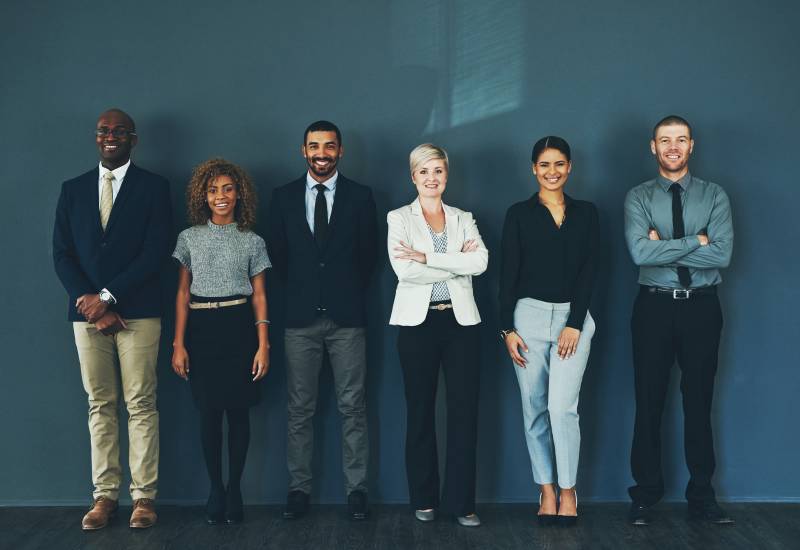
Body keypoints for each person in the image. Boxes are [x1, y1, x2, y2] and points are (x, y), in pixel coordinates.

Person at [53, 108, 172, 530]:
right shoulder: (72, 189)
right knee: (99, 405)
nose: (111, 137)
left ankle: (143, 498)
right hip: (86, 316)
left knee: (141, 404)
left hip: (138, 313)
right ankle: (104, 497)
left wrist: (107, 297)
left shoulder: (154, 188)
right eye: (104, 131)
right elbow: (62, 254)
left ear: (133, 139)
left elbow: (155, 252)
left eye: (120, 132)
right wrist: (90, 302)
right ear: (96, 136)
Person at [624, 115, 734, 526]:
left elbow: (721, 255)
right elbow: (639, 254)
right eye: (665, 140)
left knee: (699, 403)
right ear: (653, 147)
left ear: (692, 145)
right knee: (648, 402)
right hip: (653, 307)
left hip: (702, 307)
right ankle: (644, 496)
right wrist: (696, 241)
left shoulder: (715, 196)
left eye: (681, 140)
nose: (673, 147)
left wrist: (664, 246)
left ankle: (702, 497)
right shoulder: (638, 197)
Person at [268, 120, 377, 521]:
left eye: (329, 146)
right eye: (314, 146)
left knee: (353, 407)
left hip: (348, 318)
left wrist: (339, 292)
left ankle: (357, 491)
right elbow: (277, 257)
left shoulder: (362, 197)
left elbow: (368, 259)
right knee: (300, 409)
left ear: (340, 151)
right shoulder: (281, 198)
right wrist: (306, 292)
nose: (321, 153)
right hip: (298, 319)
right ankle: (299, 490)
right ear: (303, 150)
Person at [499, 136, 598, 526]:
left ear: (570, 167)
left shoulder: (587, 213)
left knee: (562, 408)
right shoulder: (518, 214)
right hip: (528, 318)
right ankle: (546, 489)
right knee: (534, 408)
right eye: (544, 165)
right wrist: (506, 328)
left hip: (574, 320)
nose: (552, 172)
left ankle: (570, 489)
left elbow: (591, 269)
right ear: (533, 169)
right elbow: (508, 274)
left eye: (559, 164)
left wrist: (575, 323)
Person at [388, 143, 488, 527]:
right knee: (420, 412)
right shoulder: (398, 218)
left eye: (439, 171)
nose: (432, 178)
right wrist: (456, 266)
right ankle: (424, 499)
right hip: (418, 324)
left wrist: (428, 257)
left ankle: (462, 503)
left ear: (447, 176)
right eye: (425, 171)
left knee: (464, 414)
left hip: (461, 324)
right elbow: (405, 272)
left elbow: (480, 262)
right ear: (413, 176)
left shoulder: (463, 218)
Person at [171, 158, 271, 524]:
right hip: (201, 328)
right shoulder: (188, 238)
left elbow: (260, 296)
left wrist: (264, 344)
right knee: (209, 414)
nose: (221, 196)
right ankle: (215, 487)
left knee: (239, 412)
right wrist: (178, 343)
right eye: (213, 190)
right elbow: (182, 292)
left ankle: (236, 489)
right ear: (203, 195)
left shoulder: (253, 240)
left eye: (228, 189)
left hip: (239, 325)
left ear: (239, 192)